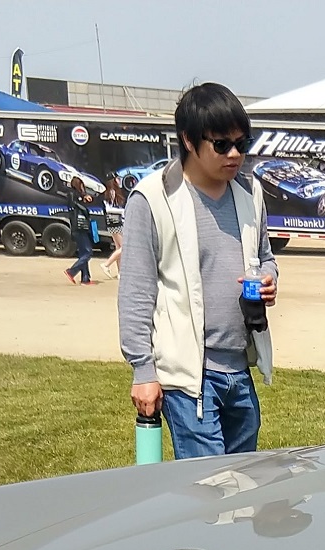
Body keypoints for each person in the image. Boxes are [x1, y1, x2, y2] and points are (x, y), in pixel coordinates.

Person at [118, 82, 278, 456]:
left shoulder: (250, 193)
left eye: (243, 143)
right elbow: (136, 292)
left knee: (243, 487)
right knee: (210, 495)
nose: (235, 154)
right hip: (189, 379)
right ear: (189, 141)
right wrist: (143, 371)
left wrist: (270, 277)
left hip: (240, 370)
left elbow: (265, 256)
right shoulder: (153, 198)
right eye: (222, 144)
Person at [64, 182, 101, 284]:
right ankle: (71, 271)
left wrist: (84, 198)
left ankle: (85, 278)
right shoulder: (74, 197)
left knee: (83, 253)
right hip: (80, 228)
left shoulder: (75, 196)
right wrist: (84, 203)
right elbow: (81, 208)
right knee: (88, 252)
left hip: (77, 228)